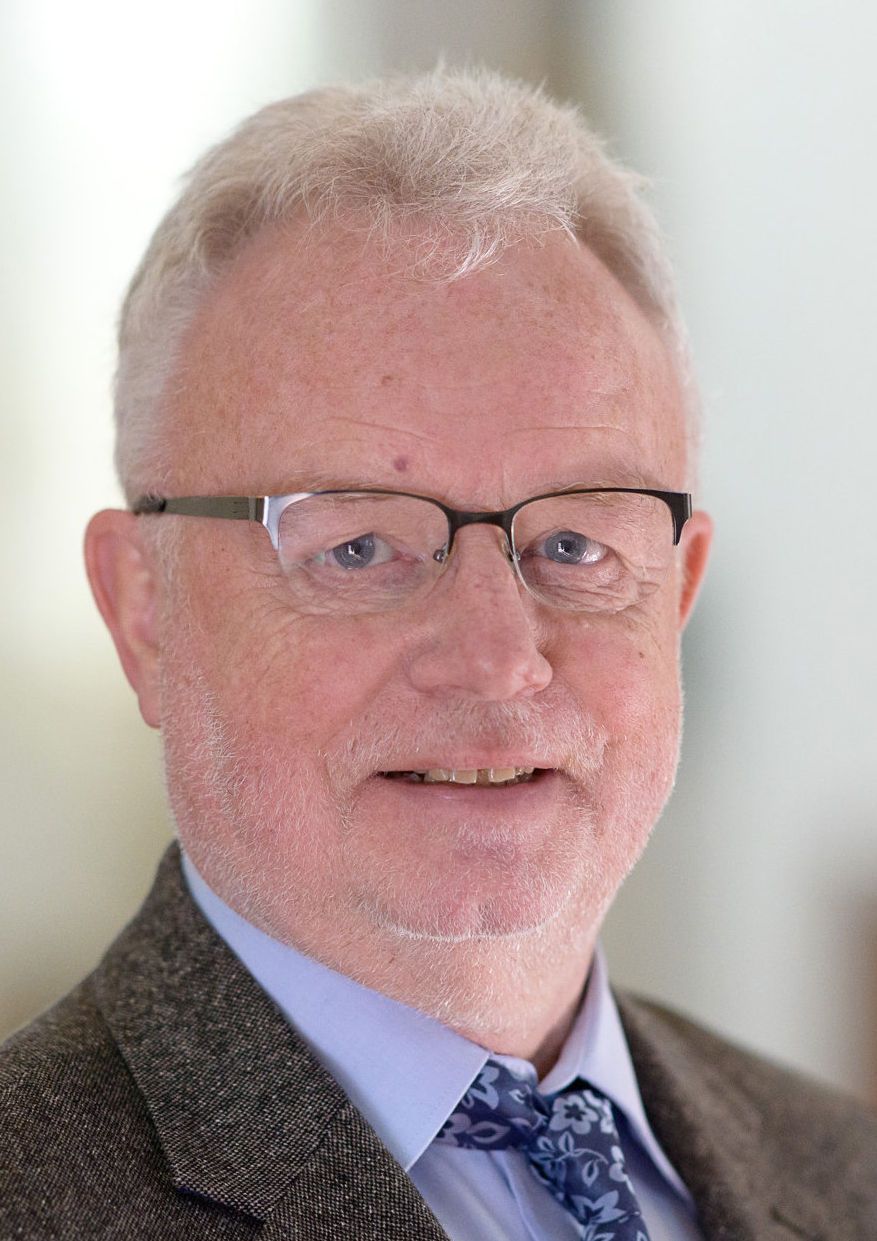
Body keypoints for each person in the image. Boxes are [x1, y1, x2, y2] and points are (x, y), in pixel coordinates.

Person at [1, 67, 874, 1241]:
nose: (497, 657)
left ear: (677, 594)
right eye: (358, 546)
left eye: (574, 543)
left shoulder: (849, 1175)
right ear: (141, 608)